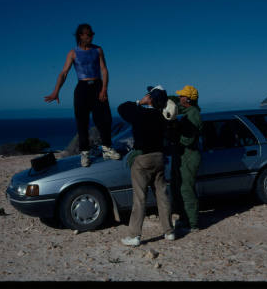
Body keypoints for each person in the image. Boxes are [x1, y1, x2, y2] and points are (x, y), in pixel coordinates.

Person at [44, 23, 120, 167]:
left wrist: (104, 89)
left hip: (97, 86)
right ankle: (84, 153)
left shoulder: (98, 50)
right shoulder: (73, 53)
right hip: (82, 89)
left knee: (105, 119)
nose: (92, 36)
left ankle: (107, 148)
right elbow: (64, 73)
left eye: (92, 34)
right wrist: (56, 91)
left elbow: (104, 70)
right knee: (82, 122)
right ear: (81, 35)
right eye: (89, 34)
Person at [118, 85, 177, 246]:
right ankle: (169, 231)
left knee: (140, 198)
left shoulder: (140, 113)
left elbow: (122, 108)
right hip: (159, 157)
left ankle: (134, 235)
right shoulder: (162, 116)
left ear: (149, 98)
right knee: (162, 195)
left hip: (142, 159)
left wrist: (139, 102)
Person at [169, 85, 203, 232]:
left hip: (189, 156)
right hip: (183, 155)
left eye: (182, 96)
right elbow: (176, 104)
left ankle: (193, 223)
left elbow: (188, 140)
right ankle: (184, 218)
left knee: (186, 189)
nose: (180, 98)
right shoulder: (188, 110)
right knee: (179, 188)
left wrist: (174, 134)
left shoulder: (193, 114)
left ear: (188, 99)